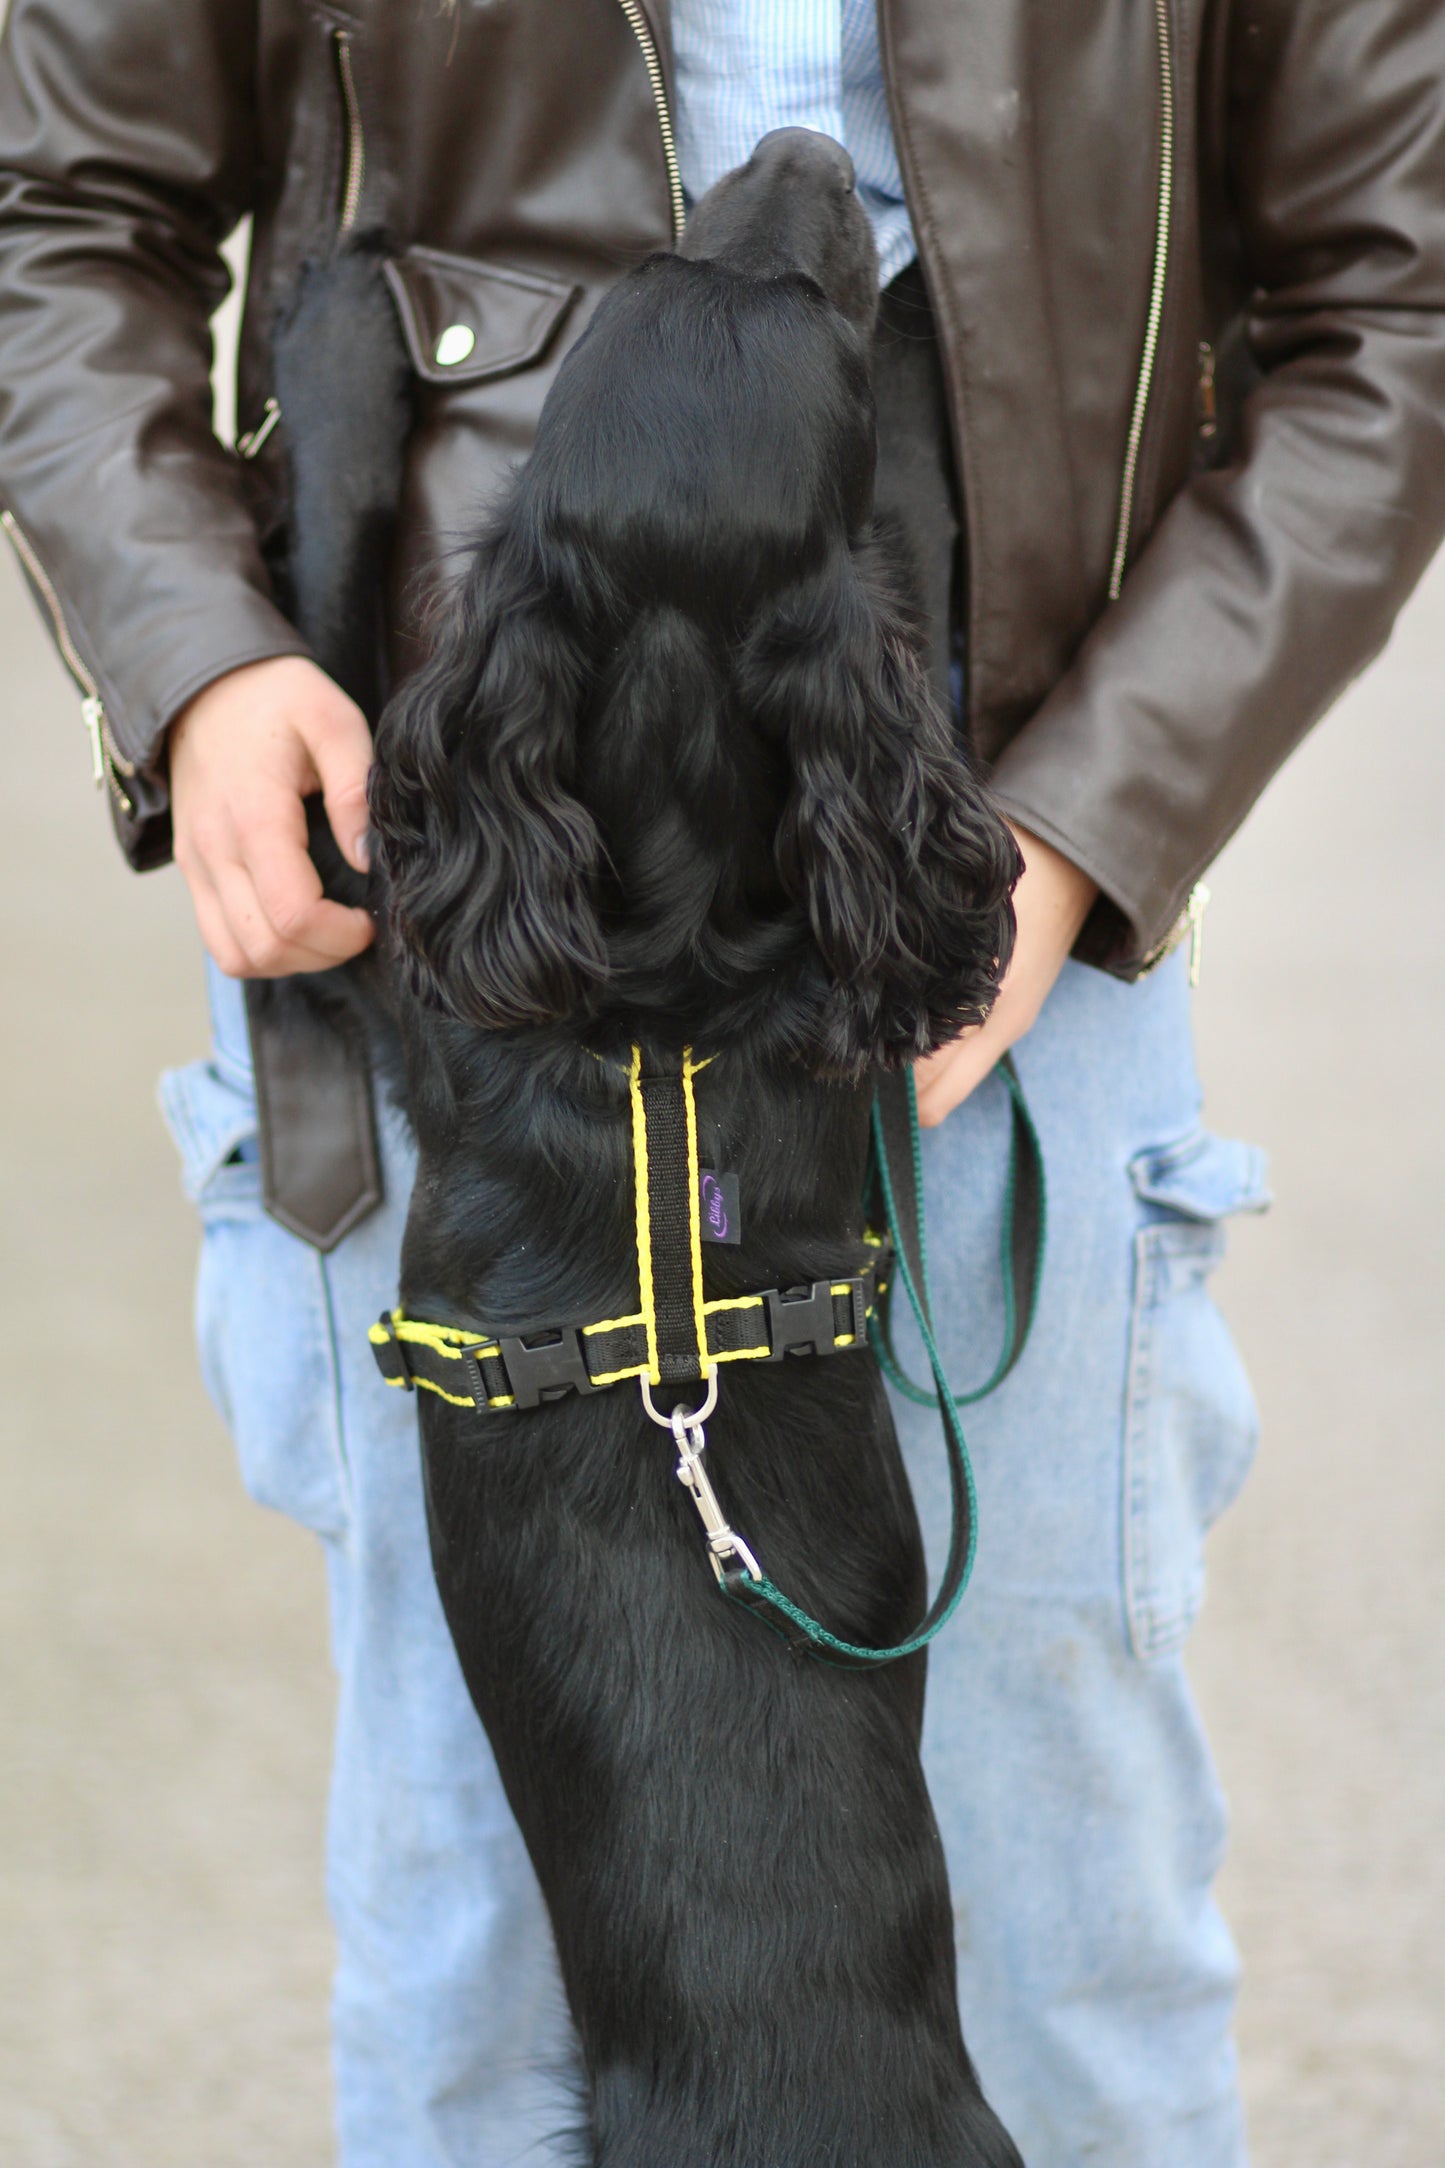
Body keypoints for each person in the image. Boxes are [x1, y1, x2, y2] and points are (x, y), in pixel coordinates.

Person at [2, 4, 1442, 2163]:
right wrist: (196, 658)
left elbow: (1399, 290)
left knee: (1059, 1961)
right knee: (486, 1989)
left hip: (1004, 823)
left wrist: (1089, 820)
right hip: (459, 857)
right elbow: (58, 199)